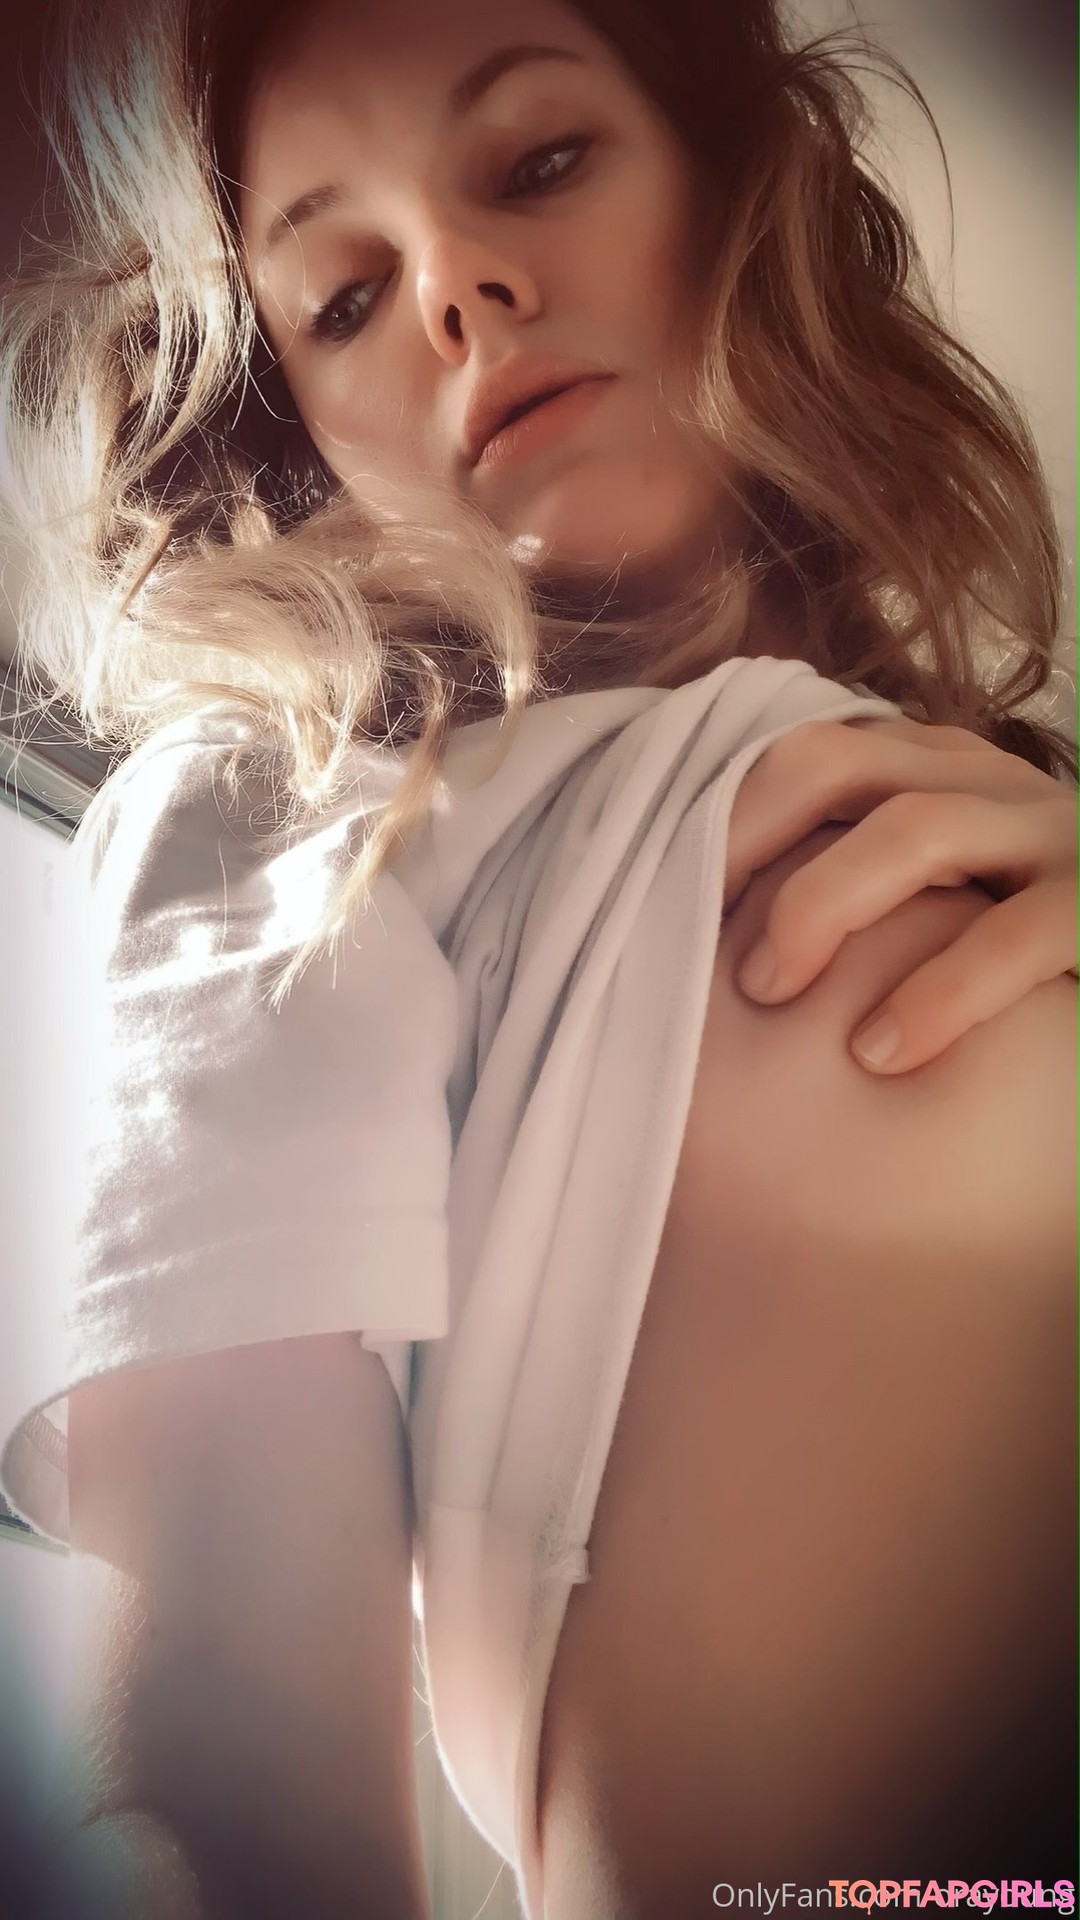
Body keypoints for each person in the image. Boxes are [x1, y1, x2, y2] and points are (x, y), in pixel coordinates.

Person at [0, 0, 1075, 1913]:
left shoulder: (1017, 800)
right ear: (307, 439)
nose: (455, 288)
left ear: (730, 185)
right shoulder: (297, 816)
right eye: (343, 297)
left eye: (540, 162)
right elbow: (234, 1750)